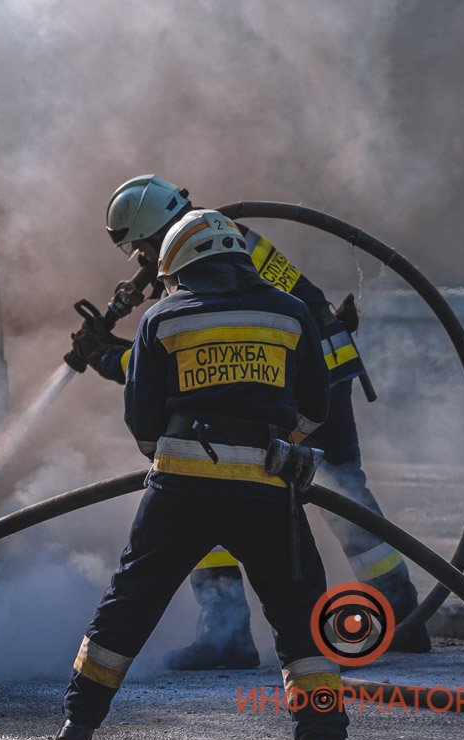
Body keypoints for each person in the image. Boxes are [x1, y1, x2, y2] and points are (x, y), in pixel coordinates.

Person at [54, 210, 368, 740]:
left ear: (179, 267)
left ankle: (78, 724)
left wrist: (172, 458)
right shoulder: (292, 314)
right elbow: (316, 407)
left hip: (179, 492)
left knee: (131, 602)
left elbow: (141, 417)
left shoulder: (162, 318)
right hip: (269, 492)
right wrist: (277, 445)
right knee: (300, 613)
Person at [89, 174, 427, 669]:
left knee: (203, 485)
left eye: (140, 247)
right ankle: (401, 615)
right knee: (345, 494)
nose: (142, 260)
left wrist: (109, 358)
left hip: (295, 379)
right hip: (319, 369)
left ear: (154, 231)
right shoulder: (231, 241)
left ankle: (225, 635)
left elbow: (191, 360)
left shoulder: (204, 264)